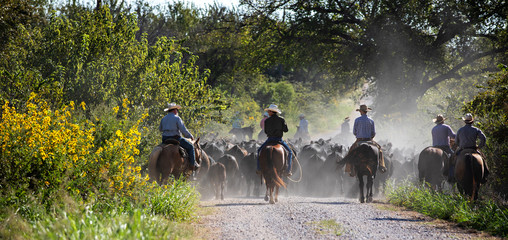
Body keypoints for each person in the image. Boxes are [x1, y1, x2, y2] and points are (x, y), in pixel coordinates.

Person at [345, 104, 386, 177]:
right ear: (366, 111)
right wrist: (370, 137)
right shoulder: (371, 120)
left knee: (351, 151)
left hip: (359, 140)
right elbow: (373, 132)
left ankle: (350, 169)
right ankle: (381, 166)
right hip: (370, 140)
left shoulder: (357, 120)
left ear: (361, 111)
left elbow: (354, 132)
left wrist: (359, 135)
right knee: (379, 149)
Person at [159, 102, 199, 170]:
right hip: (176, 139)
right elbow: (183, 130)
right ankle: (193, 164)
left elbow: (160, 129)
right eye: (177, 110)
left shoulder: (163, 119)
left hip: (165, 139)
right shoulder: (177, 118)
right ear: (174, 110)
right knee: (190, 147)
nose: (177, 111)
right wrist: (190, 136)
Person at [256, 104, 293, 176]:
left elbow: (266, 132)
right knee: (290, 152)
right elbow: (286, 130)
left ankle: (259, 169)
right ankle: (288, 171)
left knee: (258, 151)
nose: (268, 112)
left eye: (269, 111)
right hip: (279, 140)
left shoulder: (267, 121)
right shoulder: (281, 120)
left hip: (269, 140)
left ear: (271, 112)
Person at [455, 113, 489, 183]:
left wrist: (460, 145)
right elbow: (483, 138)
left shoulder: (460, 130)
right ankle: (485, 175)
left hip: (463, 149)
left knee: (453, 160)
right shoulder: (476, 129)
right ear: (472, 121)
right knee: (483, 158)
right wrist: (479, 146)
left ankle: (452, 176)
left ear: (465, 122)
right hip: (473, 149)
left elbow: (456, 141)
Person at [431, 114, 456, 180]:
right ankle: (452, 175)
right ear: (443, 121)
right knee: (454, 156)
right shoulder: (446, 127)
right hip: (445, 147)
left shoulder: (433, 129)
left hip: (435, 147)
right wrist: (459, 136)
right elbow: (453, 136)